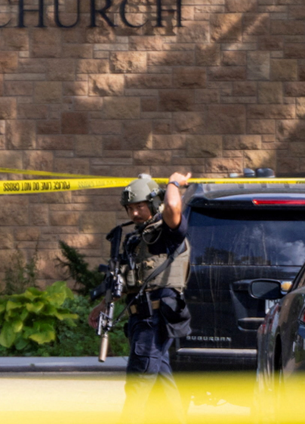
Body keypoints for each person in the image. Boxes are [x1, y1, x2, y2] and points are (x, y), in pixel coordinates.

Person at [91, 172, 192, 424]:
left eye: (140, 206)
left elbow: (172, 205)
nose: (134, 213)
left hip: (154, 318)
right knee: (161, 385)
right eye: (130, 208)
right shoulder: (138, 237)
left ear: (154, 203)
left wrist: (173, 183)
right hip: (141, 319)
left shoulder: (167, 232)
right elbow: (128, 279)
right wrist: (104, 304)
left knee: (138, 385)